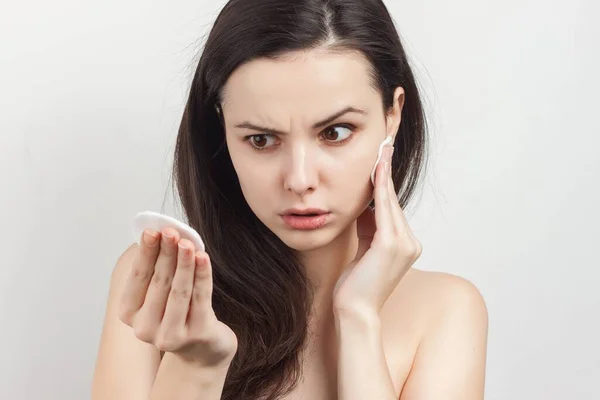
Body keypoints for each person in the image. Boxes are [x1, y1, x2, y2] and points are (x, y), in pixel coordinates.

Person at [92, 0, 488, 399]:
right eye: (261, 139)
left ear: (392, 115)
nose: (299, 180)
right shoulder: (157, 282)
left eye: (335, 133)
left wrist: (358, 318)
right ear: (223, 131)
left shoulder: (446, 310)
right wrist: (197, 365)